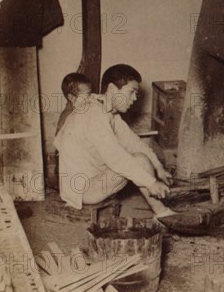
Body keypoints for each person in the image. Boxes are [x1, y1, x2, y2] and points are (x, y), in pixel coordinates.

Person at [54, 64, 176, 218]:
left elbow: (134, 143)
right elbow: (116, 158)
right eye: (131, 92)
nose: (134, 99)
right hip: (82, 190)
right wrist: (151, 183)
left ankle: (162, 213)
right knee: (140, 161)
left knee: (139, 156)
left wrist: (159, 168)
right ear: (112, 88)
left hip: (94, 180)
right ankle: (162, 214)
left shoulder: (106, 111)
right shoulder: (94, 114)